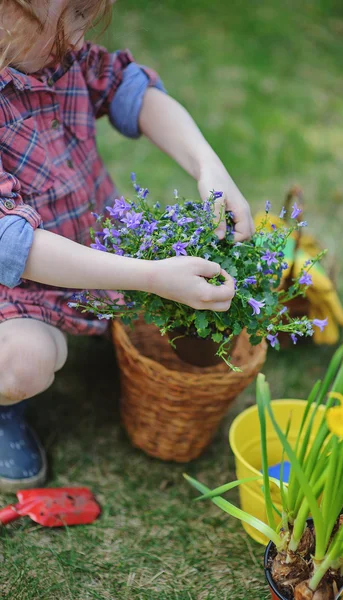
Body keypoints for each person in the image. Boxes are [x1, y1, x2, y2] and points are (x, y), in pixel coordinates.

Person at [0, 0, 254, 491]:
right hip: (16, 292)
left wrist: (208, 166)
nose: (80, 36)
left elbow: (133, 91)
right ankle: (7, 410)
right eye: (70, 17)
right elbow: (15, 246)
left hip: (91, 253)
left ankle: (98, 322)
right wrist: (151, 275)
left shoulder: (64, 60)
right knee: (23, 363)